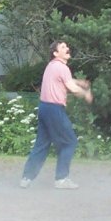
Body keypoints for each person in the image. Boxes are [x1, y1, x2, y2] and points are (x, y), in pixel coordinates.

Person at [20, 40, 93, 190]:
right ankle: (62, 179)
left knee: (42, 144)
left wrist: (79, 82)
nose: (67, 48)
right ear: (55, 53)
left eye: (67, 46)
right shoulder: (62, 67)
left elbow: (66, 80)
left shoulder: (52, 66)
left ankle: (26, 178)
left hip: (44, 108)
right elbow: (72, 88)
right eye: (63, 47)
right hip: (54, 109)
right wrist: (85, 93)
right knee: (70, 142)